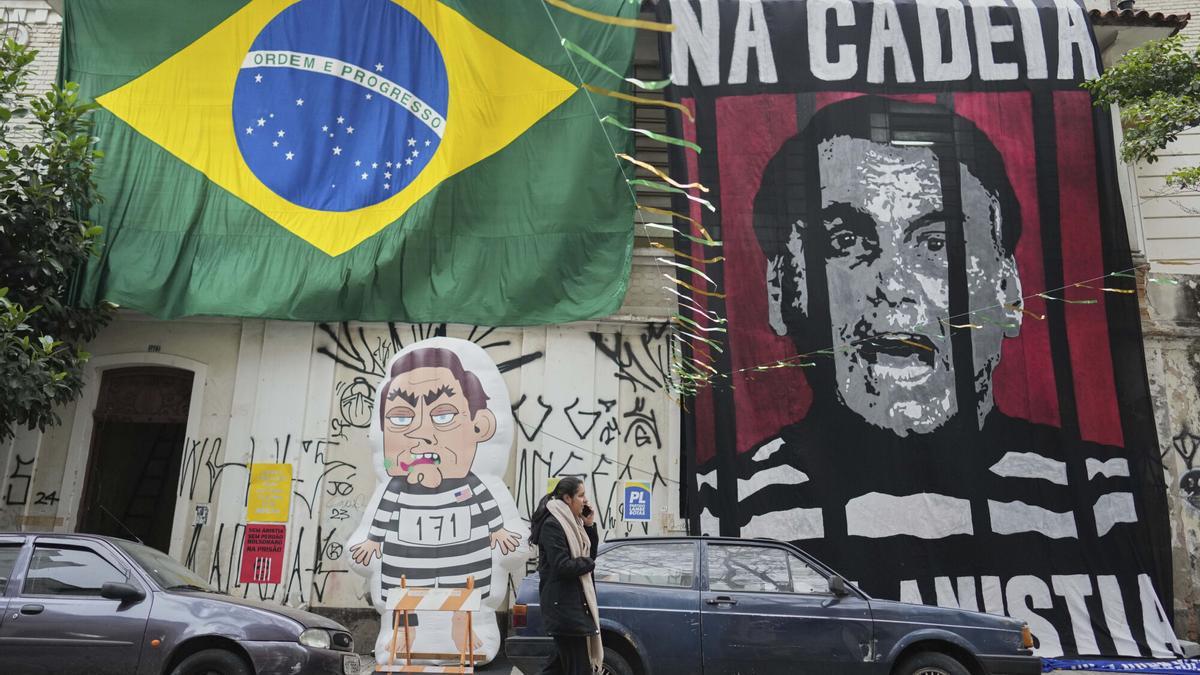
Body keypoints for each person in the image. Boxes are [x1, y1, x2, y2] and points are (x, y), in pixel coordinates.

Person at [695, 95, 1166, 657]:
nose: (892, 286)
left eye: (939, 243)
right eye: (845, 243)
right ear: (781, 291)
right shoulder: (722, 514)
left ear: (1010, 292)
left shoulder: (1106, 503)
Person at [348, 346, 523, 651]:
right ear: (380, 434)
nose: (421, 432)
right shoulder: (395, 487)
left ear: (480, 426)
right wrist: (371, 541)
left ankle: (464, 633)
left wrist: (501, 532)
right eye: (401, 419)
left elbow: (489, 508)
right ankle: (404, 638)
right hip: (405, 564)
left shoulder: (472, 484)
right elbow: (382, 514)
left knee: (464, 597)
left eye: (443, 415)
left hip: (466, 563)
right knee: (404, 599)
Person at [529, 476, 603, 674]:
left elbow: (587, 557)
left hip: (571, 607)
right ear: (568, 499)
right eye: (581, 495)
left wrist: (589, 526)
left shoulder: (574, 525)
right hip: (564, 608)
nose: (585, 500)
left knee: (558, 668)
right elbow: (563, 565)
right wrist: (589, 563)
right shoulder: (553, 525)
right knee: (579, 668)